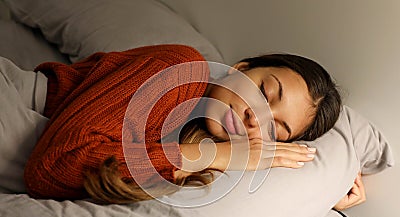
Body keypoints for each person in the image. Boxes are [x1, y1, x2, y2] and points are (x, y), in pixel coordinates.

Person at [19, 44, 356, 205]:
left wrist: (322, 198)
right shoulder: (183, 70)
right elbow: (51, 170)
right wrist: (213, 156)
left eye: (275, 130)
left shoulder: (194, 140)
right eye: (265, 93)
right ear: (239, 67)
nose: (257, 117)